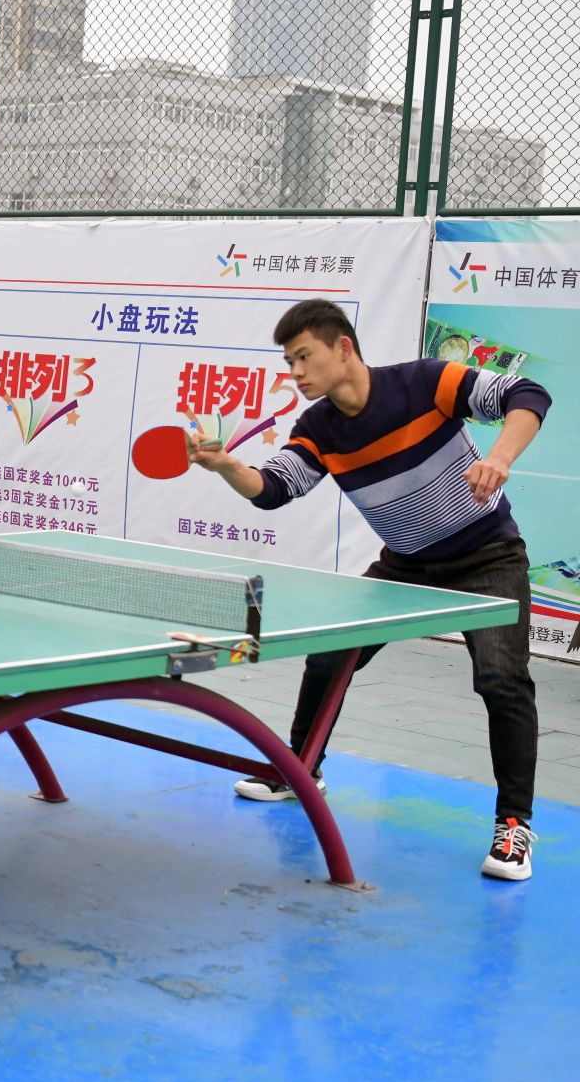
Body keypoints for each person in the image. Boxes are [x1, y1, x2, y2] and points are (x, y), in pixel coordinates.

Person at [189, 298, 551, 880]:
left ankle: (514, 823)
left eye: (303, 357)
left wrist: (500, 457)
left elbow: (528, 394)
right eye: (289, 362)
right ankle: (302, 768)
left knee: (501, 681)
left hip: (488, 558)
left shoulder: (426, 382)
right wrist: (227, 466)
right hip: (405, 564)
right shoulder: (319, 428)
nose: (296, 372)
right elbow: (275, 489)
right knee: (329, 655)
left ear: (343, 347)